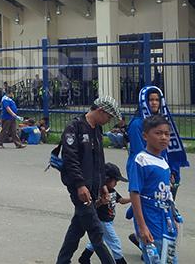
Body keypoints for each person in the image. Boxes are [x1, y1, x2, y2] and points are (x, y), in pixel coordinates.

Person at [55, 96, 122, 264]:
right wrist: (79, 185)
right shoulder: (74, 127)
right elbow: (70, 160)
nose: (109, 121)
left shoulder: (97, 129)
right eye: (109, 117)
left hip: (93, 186)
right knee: (96, 231)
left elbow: (99, 160)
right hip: (79, 187)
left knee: (77, 228)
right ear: (100, 111)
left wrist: (103, 185)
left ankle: (62, 261)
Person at [129, 115, 181, 264]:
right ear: (145, 136)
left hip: (166, 222)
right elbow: (134, 193)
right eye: (158, 133)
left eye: (167, 134)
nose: (163, 137)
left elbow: (167, 194)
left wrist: (173, 215)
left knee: (170, 259)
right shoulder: (141, 160)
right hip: (150, 220)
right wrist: (142, 227)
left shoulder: (163, 161)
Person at [127, 86, 188, 198]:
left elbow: (169, 148)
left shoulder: (163, 121)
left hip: (164, 169)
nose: (154, 103)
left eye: (157, 100)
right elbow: (139, 154)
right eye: (151, 100)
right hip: (146, 171)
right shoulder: (137, 124)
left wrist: (172, 170)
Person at [78, 163, 131, 264]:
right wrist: (101, 201)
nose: (116, 183)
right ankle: (120, 261)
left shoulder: (113, 191)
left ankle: (84, 257)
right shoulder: (100, 191)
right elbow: (93, 205)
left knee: (97, 240)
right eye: (115, 181)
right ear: (106, 179)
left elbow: (121, 200)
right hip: (103, 221)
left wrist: (133, 199)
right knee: (115, 242)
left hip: (109, 221)